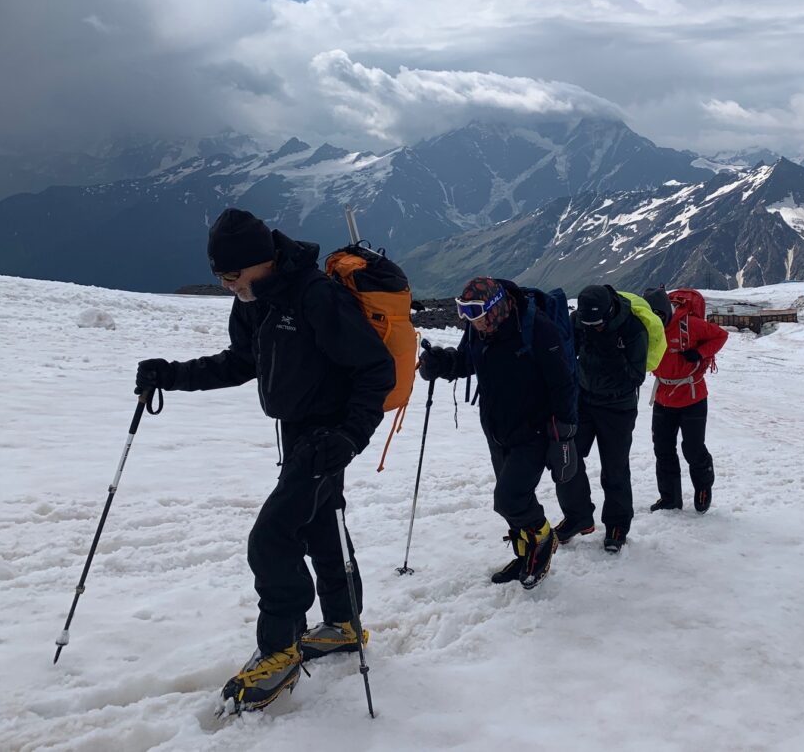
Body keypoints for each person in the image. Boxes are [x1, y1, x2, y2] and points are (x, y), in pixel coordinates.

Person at [133, 209, 395, 712]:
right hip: (298, 431)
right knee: (320, 524)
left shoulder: (317, 296)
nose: (230, 285)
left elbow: (375, 369)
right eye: (221, 278)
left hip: (327, 435)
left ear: (264, 261)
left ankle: (280, 650)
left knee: (272, 537)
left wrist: (348, 435)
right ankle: (343, 623)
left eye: (234, 275)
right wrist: (171, 374)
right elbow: (242, 361)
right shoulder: (256, 300)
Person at [418, 277, 577, 588]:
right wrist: (441, 363)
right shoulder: (480, 330)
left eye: (475, 312)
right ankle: (525, 556)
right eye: (464, 312)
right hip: (497, 430)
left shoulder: (538, 330)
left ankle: (544, 540)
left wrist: (565, 435)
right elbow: (466, 362)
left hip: (534, 431)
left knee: (508, 499)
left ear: (495, 307)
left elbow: (564, 384)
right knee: (514, 502)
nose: (470, 320)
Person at [556, 284, 649, 553]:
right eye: (587, 322)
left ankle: (617, 525)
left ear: (609, 311)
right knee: (566, 459)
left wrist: (611, 353)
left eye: (596, 322)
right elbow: (564, 350)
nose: (592, 326)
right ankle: (578, 516)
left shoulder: (632, 329)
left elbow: (637, 376)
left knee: (615, 468)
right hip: (583, 402)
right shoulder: (579, 322)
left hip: (618, 408)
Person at [649, 288, 728, 514]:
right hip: (664, 395)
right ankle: (669, 499)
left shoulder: (690, 325)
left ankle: (703, 486)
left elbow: (721, 335)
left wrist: (701, 352)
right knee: (663, 449)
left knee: (692, 448)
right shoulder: (650, 324)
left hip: (692, 395)